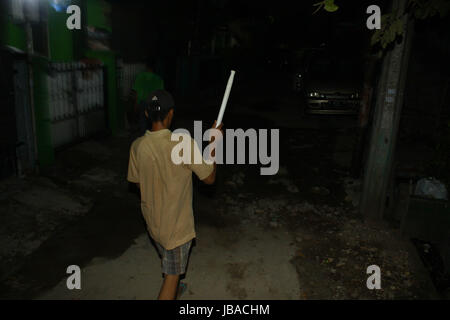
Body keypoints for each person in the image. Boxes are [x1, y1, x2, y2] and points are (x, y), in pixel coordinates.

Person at [127, 89, 223, 300]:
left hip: (153, 223)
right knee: (171, 275)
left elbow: (135, 182)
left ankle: (174, 286)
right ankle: (171, 288)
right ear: (171, 114)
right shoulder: (182, 144)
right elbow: (209, 178)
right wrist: (214, 142)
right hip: (176, 230)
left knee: (170, 263)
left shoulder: (137, 147)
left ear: (146, 114)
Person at [131, 58, 164, 136]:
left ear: (146, 67)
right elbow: (160, 94)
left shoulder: (140, 77)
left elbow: (136, 93)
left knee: (143, 121)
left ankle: (144, 139)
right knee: (153, 122)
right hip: (154, 103)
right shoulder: (159, 79)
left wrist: (135, 104)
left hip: (143, 102)